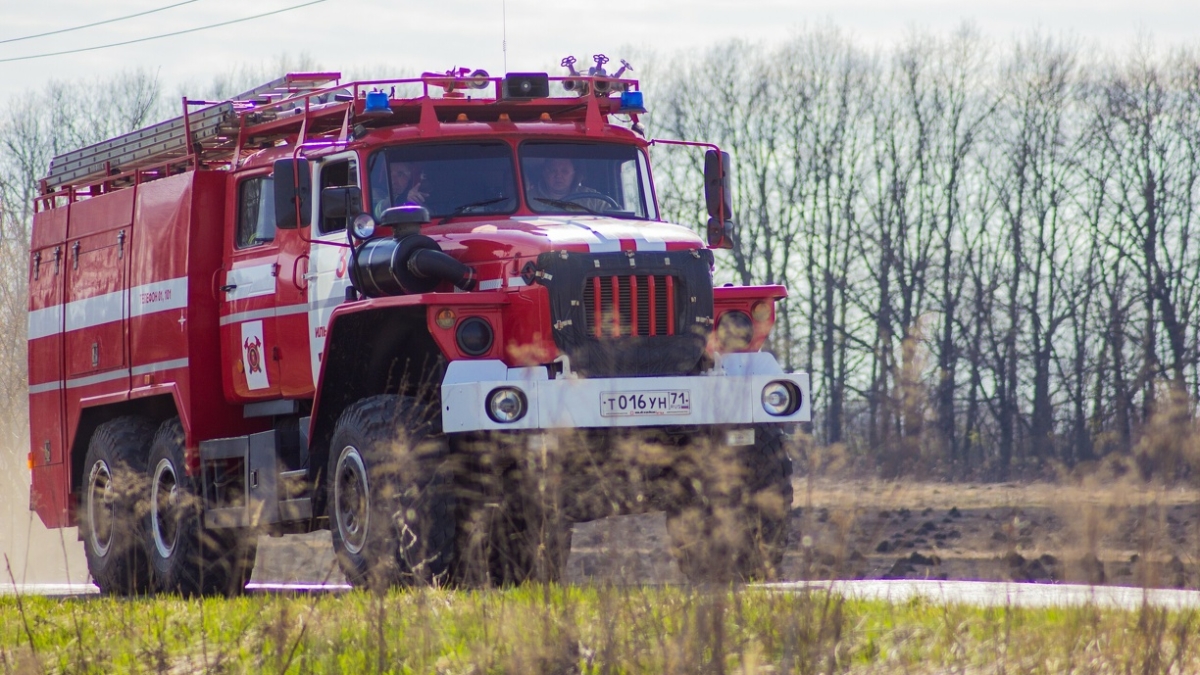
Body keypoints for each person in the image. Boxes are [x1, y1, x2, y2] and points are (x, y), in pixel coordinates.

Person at [526, 157, 609, 212]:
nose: (558, 176)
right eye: (553, 171)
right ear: (544, 173)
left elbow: (615, 216)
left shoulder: (592, 199)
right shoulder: (528, 200)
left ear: (574, 175)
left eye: (565, 171)